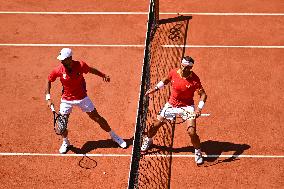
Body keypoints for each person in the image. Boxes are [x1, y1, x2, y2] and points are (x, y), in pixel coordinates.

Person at [45, 48, 127, 154]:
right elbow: (48, 79)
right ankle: (66, 142)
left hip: (82, 98)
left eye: (63, 60)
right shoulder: (59, 70)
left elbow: (91, 70)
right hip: (66, 100)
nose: (61, 62)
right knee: (62, 125)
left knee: (97, 118)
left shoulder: (80, 65)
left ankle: (114, 136)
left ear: (70, 59)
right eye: (61, 60)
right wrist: (48, 98)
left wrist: (103, 75)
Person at [141, 56, 207, 165]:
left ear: (190, 68)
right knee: (155, 126)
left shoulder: (195, 80)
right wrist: (155, 88)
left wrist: (199, 108)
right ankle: (148, 140)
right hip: (171, 104)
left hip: (187, 107)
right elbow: (166, 80)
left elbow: (203, 95)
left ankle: (198, 151)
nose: (183, 68)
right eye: (182, 65)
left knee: (192, 132)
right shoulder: (174, 72)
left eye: (186, 67)